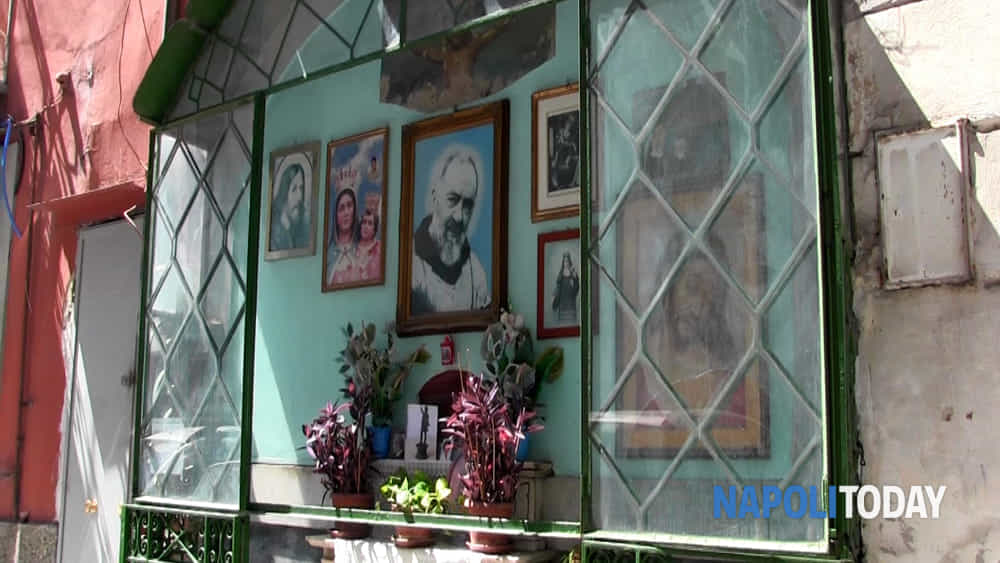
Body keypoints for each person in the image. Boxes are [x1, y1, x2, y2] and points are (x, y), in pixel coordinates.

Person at [411, 145, 490, 314]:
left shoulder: (476, 274)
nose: (459, 216)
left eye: (468, 205)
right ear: (435, 197)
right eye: (452, 199)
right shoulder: (410, 264)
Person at [270, 163, 309, 251]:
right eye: (294, 189)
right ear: (284, 193)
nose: (300, 196)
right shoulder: (274, 234)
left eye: (301, 188)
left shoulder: (303, 226)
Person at [326, 188, 358, 286]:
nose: (346, 213)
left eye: (349, 205)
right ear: (335, 215)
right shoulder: (328, 254)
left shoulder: (362, 248)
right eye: (341, 208)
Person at [353, 208, 382, 282]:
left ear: (374, 229)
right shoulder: (352, 248)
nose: (366, 226)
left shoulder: (380, 249)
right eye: (364, 222)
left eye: (370, 223)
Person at [551, 251, 579, 323]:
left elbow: (577, 285)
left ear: (569, 262)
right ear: (563, 262)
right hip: (562, 300)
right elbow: (558, 286)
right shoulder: (561, 273)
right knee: (562, 321)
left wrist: (574, 280)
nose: (566, 263)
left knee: (571, 320)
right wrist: (554, 295)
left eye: (567, 261)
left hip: (570, 300)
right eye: (565, 261)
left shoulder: (573, 271)